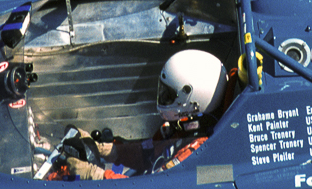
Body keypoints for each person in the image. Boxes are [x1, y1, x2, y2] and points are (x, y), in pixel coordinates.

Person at [51, 50, 230, 180]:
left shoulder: (197, 154)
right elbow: (147, 152)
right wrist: (104, 148)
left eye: (169, 95)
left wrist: (95, 175)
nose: (163, 99)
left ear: (195, 102)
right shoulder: (180, 130)